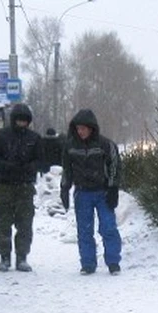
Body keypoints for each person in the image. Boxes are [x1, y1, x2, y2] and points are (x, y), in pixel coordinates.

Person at [60, 109, 122, 275]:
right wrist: (64, 189)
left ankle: (113, 261)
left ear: (91, 128)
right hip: (82, 194)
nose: (81, 132)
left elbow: (114, 167)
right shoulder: (70, 147)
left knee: (108, 227)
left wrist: (113, 188)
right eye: (78, 129)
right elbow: (67, 169)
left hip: (103, 192)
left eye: (84, 128)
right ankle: (87, 263)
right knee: (84, 230)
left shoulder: (105, 145)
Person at [0, 103, 41, 272]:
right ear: (13, 120)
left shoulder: (34, 138)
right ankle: (4, 257)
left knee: (25, 222)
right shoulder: (1, 137)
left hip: (25, 186)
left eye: (25, 121)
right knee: (2, 222)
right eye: (19, 120)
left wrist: (30, 168)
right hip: (5, 186)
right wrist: (6, 166)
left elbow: (40, 159)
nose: (22, 123)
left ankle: (22, 257)